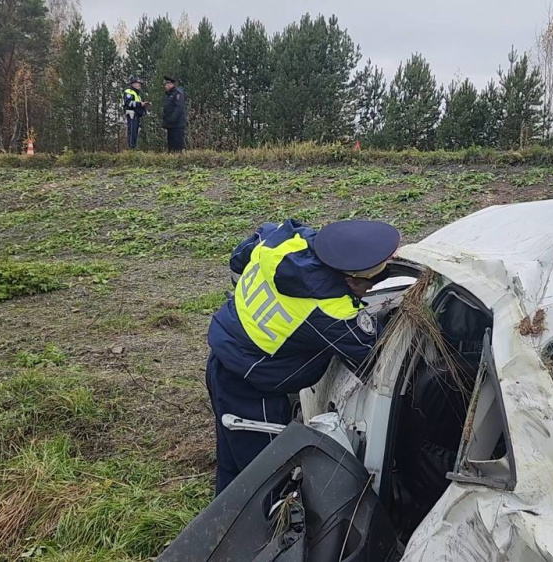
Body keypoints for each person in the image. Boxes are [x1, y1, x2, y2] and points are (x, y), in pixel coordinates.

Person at [206, 219, 400, 494]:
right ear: (349, 279)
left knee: (234, 464)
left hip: (223, 355)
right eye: (370, 283)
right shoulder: (329, 310)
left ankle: (222, 524)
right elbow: (375, 356)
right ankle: (263, 534)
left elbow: (239, 258)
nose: (371, 290)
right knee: (267, 481)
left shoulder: (284, 240)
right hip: (252, 390)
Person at [123, 77, 149, 149]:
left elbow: (137, 104)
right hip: (131, 113)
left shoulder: (137, 93)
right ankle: (131, 148)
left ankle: (133, 146)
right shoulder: (129, 92)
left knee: (135, 131)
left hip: (136, 114)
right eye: (138, 84)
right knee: (132, 131)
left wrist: (143, 106)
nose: (140, 85)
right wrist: (140, 104)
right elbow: (129, 103)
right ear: (133, 84)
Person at [162, 76, 187, 152]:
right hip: (170, 124)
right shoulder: (167, 94)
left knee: (178, 144)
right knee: (171, 145)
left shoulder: (178, 93)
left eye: (166, 84)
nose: (165, 86)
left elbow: (178, 108)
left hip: (177, 124)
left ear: (170, 84)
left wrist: (172, 119)